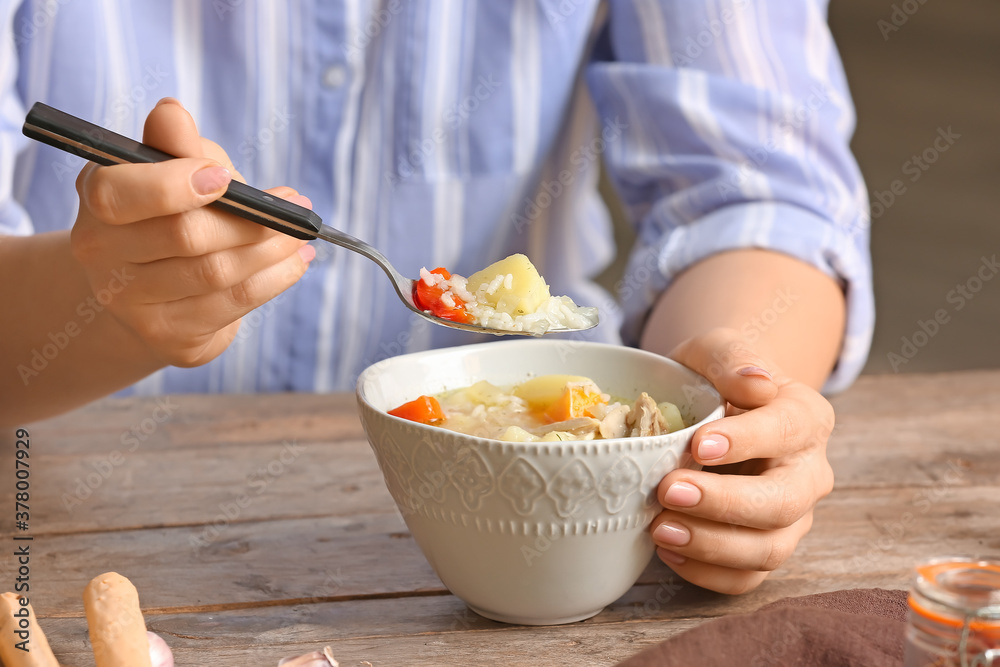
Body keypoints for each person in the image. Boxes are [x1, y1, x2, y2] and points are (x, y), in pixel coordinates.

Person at [0, 1, 872, 595]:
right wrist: (102, 296)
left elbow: (757, 189)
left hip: (574, 525)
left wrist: (728, 398)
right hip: (71, 516)